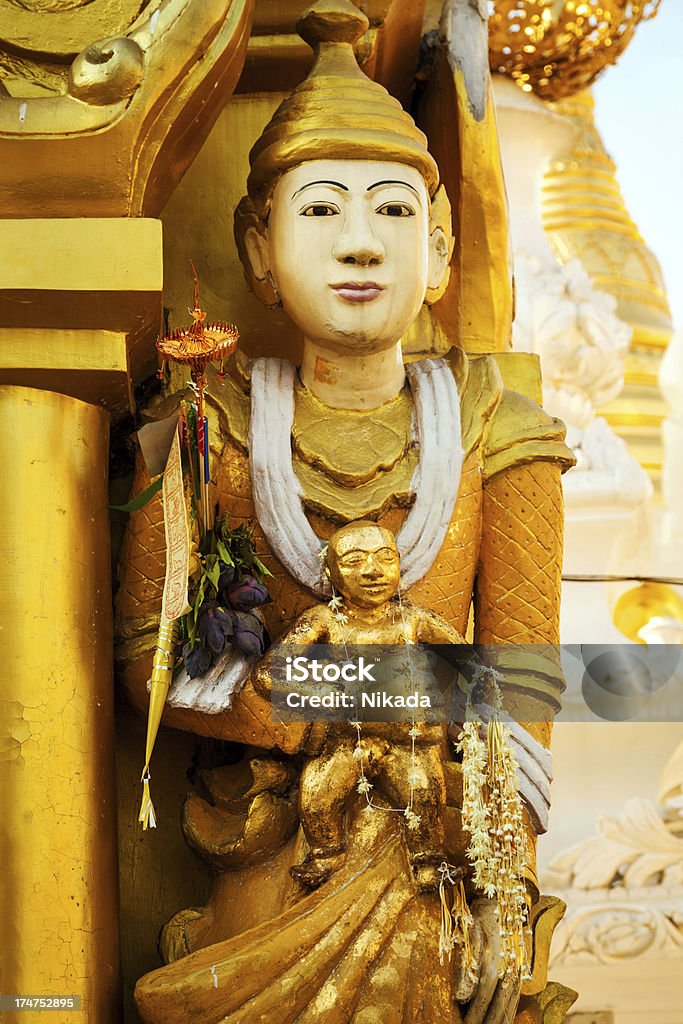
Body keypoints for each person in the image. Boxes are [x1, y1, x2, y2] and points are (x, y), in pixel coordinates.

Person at [125, 2, 575, 1020]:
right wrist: (295, 702)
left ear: (439, 249)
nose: (361, 245)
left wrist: (507, 895)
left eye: (392, 213)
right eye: (321, 210)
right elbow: (143, 653)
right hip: (278, 843)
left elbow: (524, 681)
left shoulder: (502, 433)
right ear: (256, 246)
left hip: (451, 851)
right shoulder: (206, 430)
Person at [252, 520, 465, 891]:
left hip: (407, 742)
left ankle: (428, 860)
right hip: (344, 742)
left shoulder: (412, 620)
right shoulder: (324, 621)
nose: (372, 571)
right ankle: (327, 853)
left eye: (386, 558)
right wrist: (325, 693)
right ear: (331, 571)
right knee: (318, 797)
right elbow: (268, 674)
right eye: (354, 560)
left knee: (424, 791)